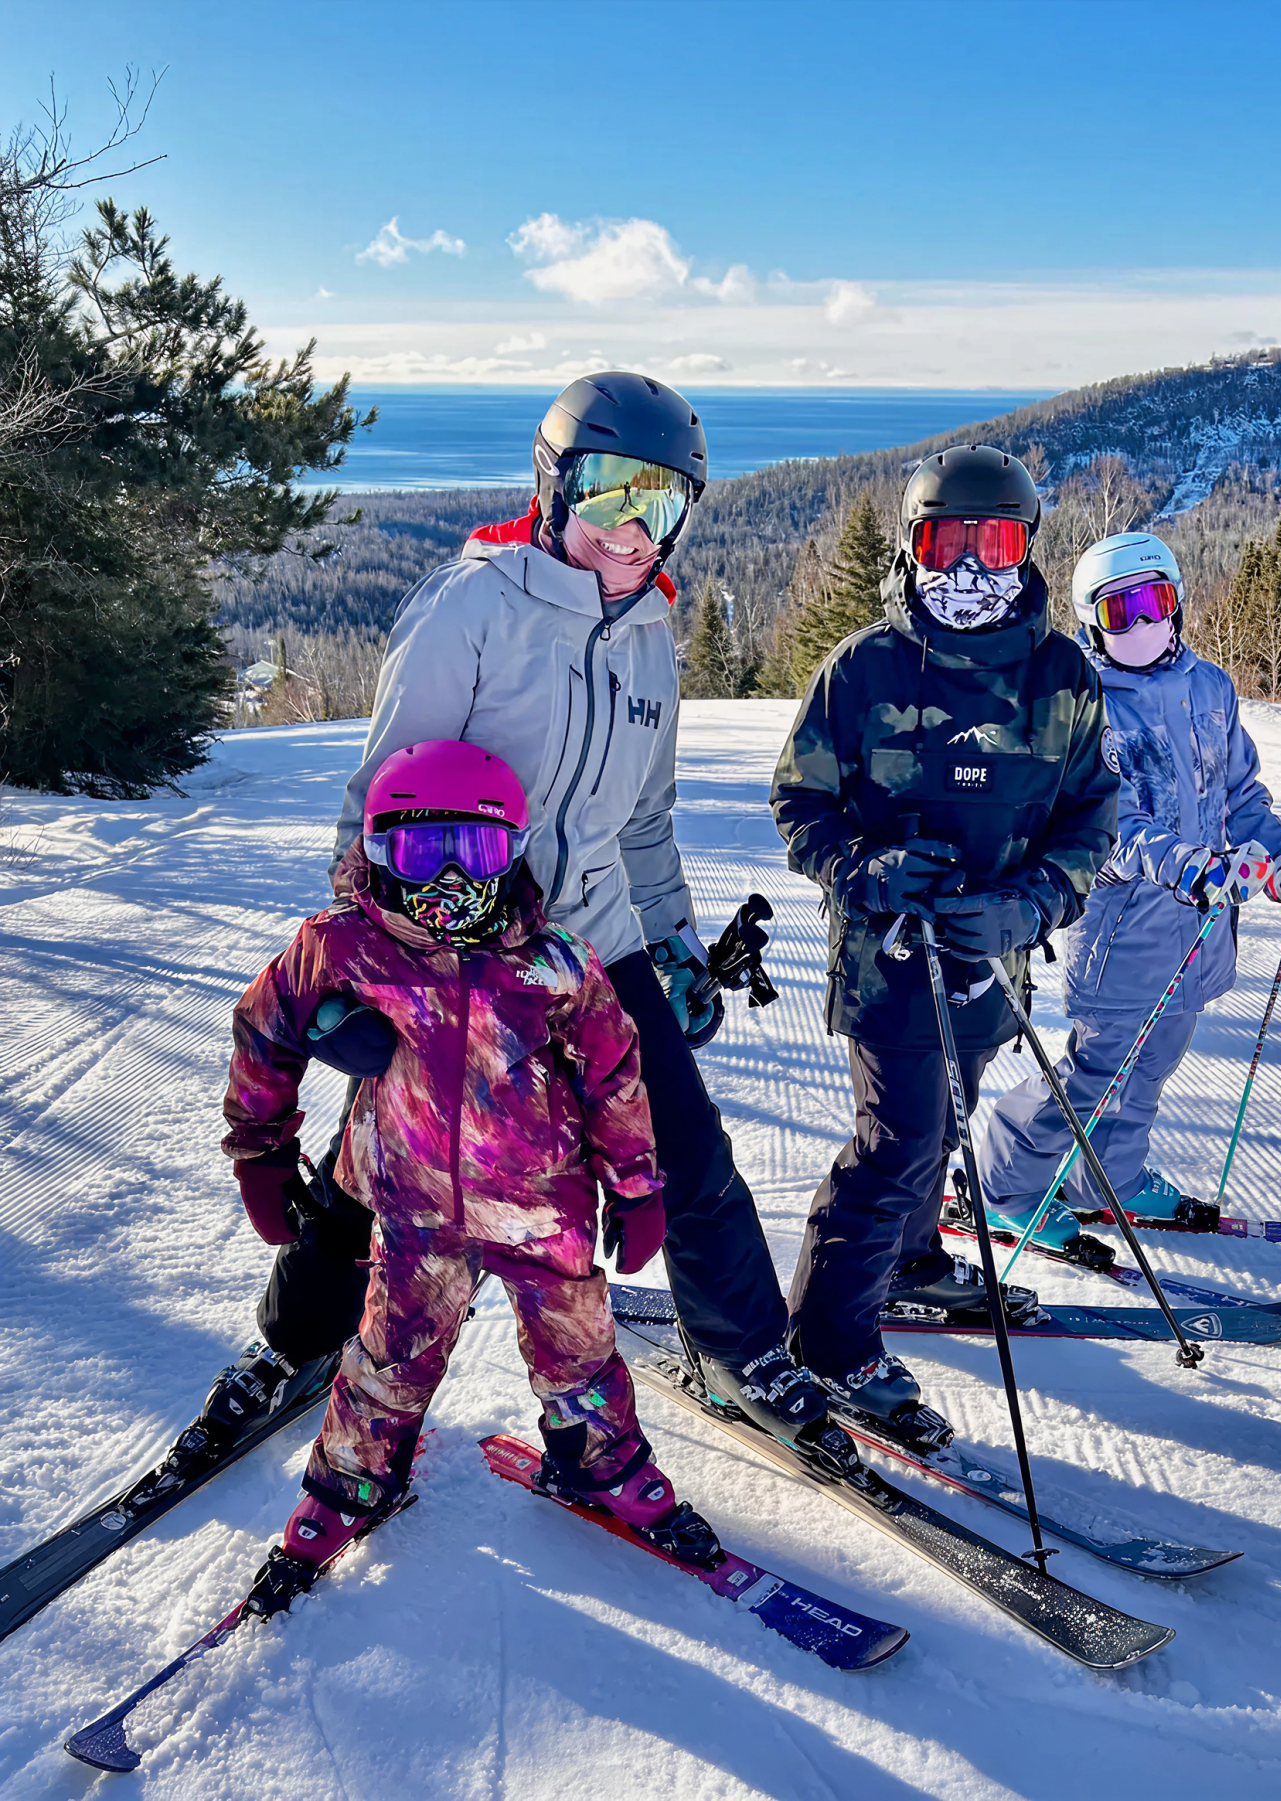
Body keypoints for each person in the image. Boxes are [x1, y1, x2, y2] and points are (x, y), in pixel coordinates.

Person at [144, 373, 852, 1510]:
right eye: (610, 495)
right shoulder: (472, 609)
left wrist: (670, 945)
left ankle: (749, 1350)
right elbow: (374, 803)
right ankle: (293, 1342)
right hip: (450, 940)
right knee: (381, 1172)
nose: (631, 531)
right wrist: (351, 973)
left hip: (595, 946)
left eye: (661, 506)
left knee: (690, 1149)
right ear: (554, 483)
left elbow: (647, 823)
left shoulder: (654, 636)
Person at [224, 739, 721, 1587]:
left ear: (512, 852)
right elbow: (264, 1030)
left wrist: (637, 1188)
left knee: (579, 1346)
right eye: (425, 852)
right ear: (381, 851)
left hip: (542, 1206)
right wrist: (261, 1151)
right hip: (414, 1209)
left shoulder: (556, 961)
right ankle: (353, 1479)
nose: (451, 883)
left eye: (477, 852)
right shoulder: (342, 945)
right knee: (390, 1351)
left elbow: (616, 1073)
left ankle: (596, 1460)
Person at [770, 446, 1120, 1439]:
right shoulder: (866, 668)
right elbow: (799, 800)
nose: (967, 570)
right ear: (914, 547)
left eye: (992, 542)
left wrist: (1037, 903)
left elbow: (1092, 818)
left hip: (993, 961)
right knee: (896, 1142)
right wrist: (864, 869)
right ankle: (827, 1345)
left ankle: (912, 1258)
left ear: (1025, 549)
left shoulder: (1061, 678)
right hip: (888, 961)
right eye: (945, 542)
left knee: (947, 1121)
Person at [977, 531, 1281, 1256]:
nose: (1142, 625)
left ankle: (1109, 1175)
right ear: (1091, 621)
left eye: (1155, 603)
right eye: (1121, 610)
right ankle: (1008, 1182)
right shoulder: (1088, 702)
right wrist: (1184, 864)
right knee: (1097, 1067)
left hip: (1200, 926)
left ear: (1178, 605)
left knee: (1157, 1057)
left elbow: (1239, 795)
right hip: (1124, 925)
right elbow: (1108, 823)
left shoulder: (1210, 689)